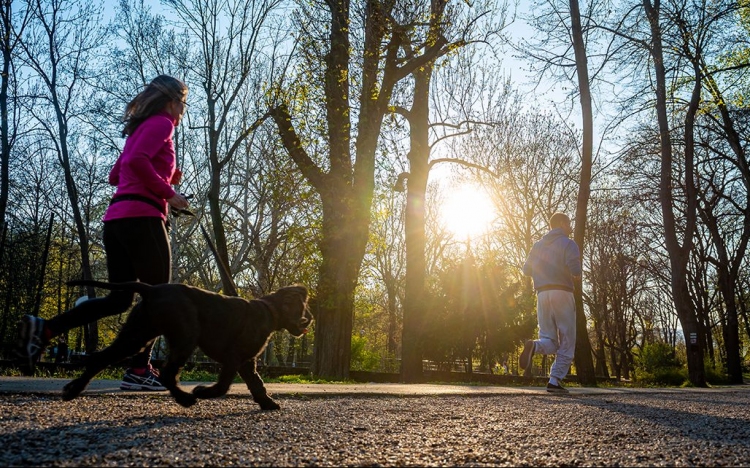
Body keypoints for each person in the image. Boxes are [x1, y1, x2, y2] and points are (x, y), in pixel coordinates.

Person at [16, 75, 190, 391]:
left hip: (117, 221)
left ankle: (44, 330)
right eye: (183, 103)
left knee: (119, 300)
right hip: (143, 219)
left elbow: (116, 175)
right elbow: (136, 162)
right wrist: (168, 193)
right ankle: (139, 369)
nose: (182, 111)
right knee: (159, 298)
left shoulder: (139, 129)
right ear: (171, 102)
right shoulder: (163, 123)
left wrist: (166, 174)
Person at [520, 212, 582, 394]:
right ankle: (554, 380)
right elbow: (576, 270)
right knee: (567, 339)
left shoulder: (537, 246)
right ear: (562, 223)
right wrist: (574, 274)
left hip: (542, 294)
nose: (570, 227)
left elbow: (526, 270)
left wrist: (543, 271)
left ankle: (534, 346)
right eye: (568, 223)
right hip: (562, 292)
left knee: (549, 339)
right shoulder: (568, 244)